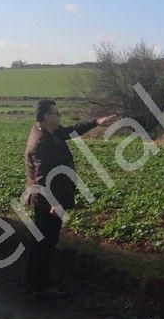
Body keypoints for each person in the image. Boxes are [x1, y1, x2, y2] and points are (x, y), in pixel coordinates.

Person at [22, 99, 115, 300]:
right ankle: (39, 287)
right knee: (44, 244)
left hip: (48, 201)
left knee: (42, 243)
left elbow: (71, 131)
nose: (60, 116)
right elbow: (42, 178)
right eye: (57, 113)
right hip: (47, 203)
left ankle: (35, 284)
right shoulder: (41, 142)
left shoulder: (48, 132)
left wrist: (96, 122)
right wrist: (55, 204)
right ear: (47, 117)